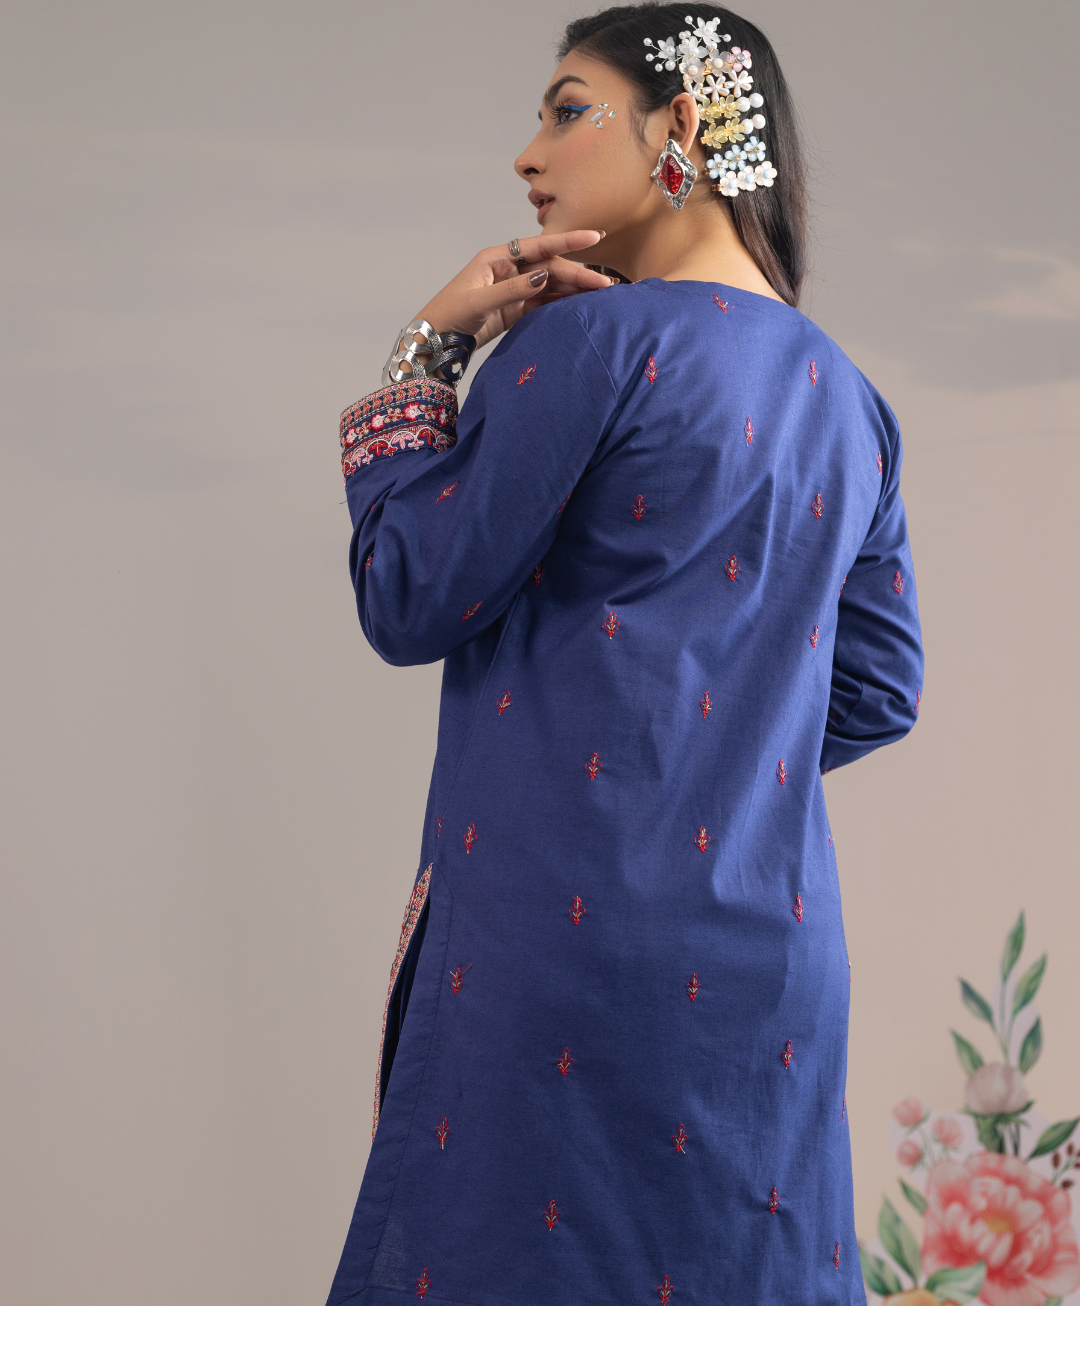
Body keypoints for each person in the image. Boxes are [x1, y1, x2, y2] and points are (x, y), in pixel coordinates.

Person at [327, 3, 923, 1306]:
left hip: (562, 952)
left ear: (680, 128)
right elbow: (880, 688)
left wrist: (427, 352)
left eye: (567, 110)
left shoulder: (590, 342)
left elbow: (409, 589)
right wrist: (707, 754)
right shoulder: (851, 401)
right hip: (772, 971)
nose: (528, 155)